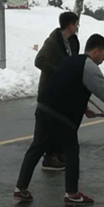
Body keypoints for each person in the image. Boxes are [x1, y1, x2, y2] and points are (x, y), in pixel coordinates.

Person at [14, 34, 104, 205]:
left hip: (44, 108)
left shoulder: (71, 61)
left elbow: (67, 86)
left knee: (37, 147)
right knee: (71, 151)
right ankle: (72, 194)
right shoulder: (89, 66)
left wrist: (84, 108)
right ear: (95, 51)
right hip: (61, 115)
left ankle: (21, 189)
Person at [34, 11, 80, 171]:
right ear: (69, 25)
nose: (77, 26)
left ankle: (59, 152)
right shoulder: (52, 42)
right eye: (76, 23)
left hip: (64, 89)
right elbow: (39, 61)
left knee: (62, 122)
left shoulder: (73, 41)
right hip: (50, 89)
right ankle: (49, 156)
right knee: (49, 125)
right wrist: (58, 72)